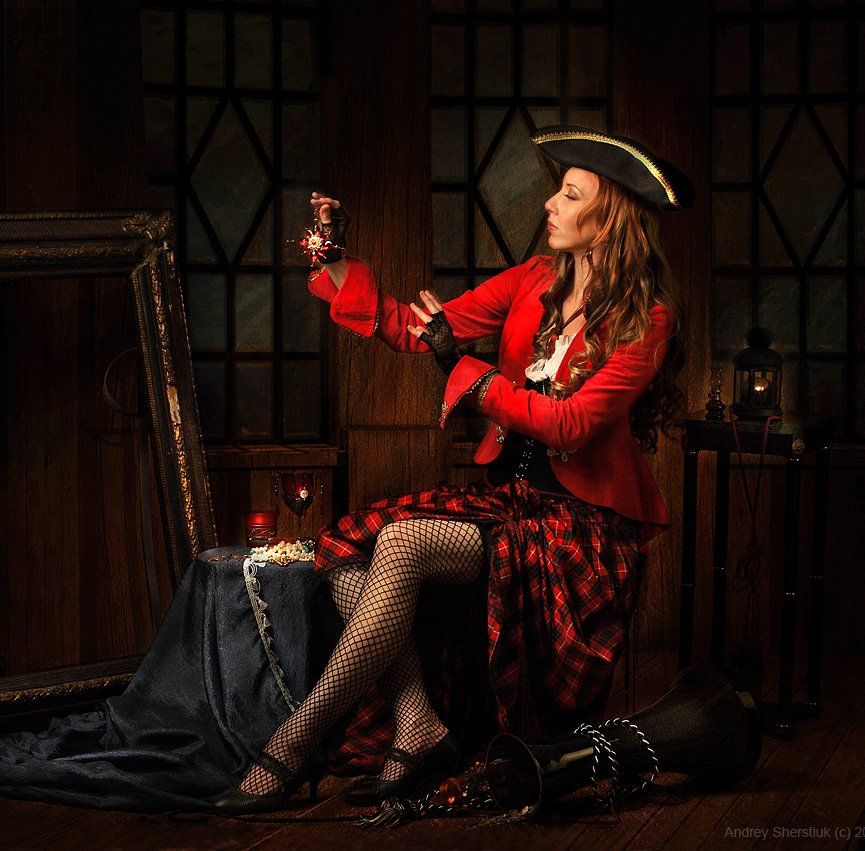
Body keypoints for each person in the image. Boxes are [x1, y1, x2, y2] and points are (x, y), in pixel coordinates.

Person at [210, 125, 692, 814]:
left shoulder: (646, 318)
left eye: (569, 194)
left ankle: (291, 743)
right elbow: (413, 327)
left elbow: (572, 424)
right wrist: (333, 256)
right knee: (346, 551)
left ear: (609, 218)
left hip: (579, 529)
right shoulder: (533, 280)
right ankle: (417, 723)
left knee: (402, 540)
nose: (550, 204)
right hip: (511, 503)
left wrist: (465, 372)